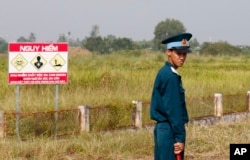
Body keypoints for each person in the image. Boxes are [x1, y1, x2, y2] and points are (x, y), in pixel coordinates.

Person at [150, 32, 192, 160]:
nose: (182, 57)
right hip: (169, 130)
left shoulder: (165, 72)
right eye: (178, 53)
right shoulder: (170, 76)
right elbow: (173, 110)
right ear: (168, 52)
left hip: (163, 129)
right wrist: (179, 137)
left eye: (184, 54)